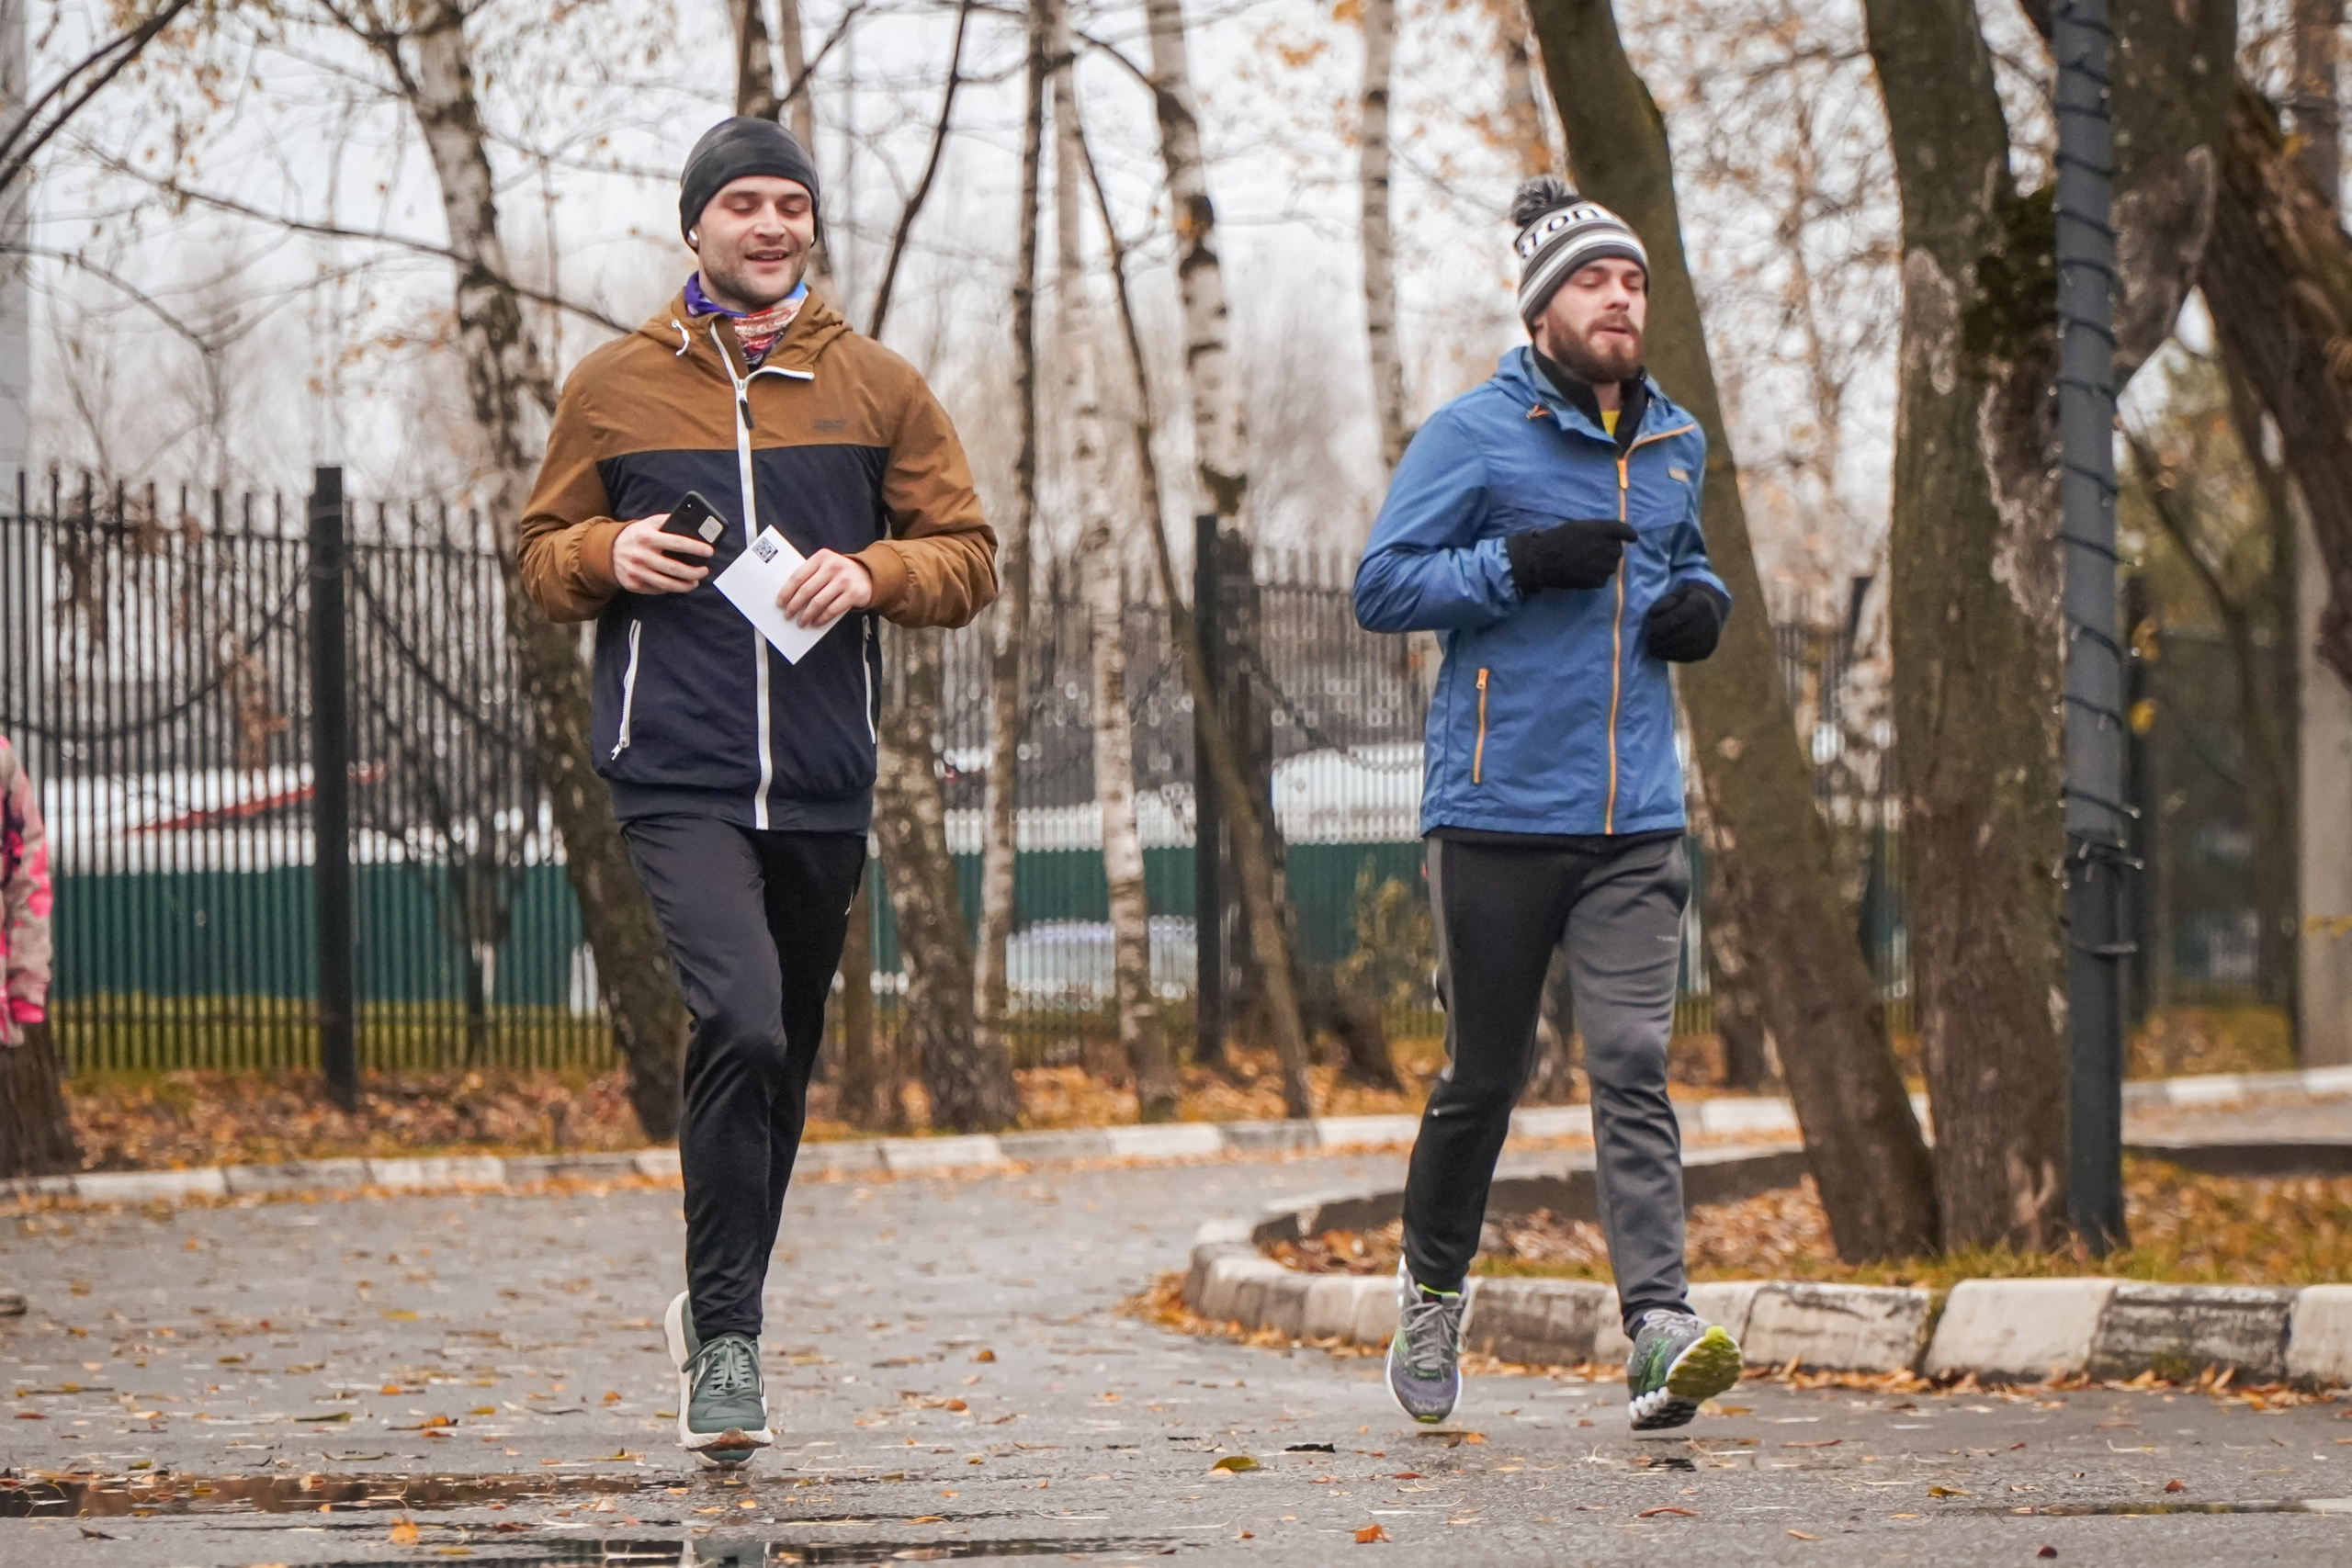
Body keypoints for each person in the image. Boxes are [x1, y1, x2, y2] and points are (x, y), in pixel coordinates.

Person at [516, 117, 997, 1466]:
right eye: (744, 204)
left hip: (827, 783)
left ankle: (716, 1299)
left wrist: (876, 574)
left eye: (793, 203)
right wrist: (609, 550)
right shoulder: (613, 388)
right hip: (675, 770)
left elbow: (969, 554)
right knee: (736, 1015)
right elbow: (541, 555)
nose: (772, 225)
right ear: (696, 228)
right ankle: (730, 1341)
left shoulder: (879, 387)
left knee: (778, 1058)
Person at [1351, 175, 1742, 1431]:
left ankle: (1657, 1330)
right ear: (1542, 309)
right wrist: (1514, 563)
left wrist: (1706, 606)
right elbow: (1381, 585)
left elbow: (1685, 564)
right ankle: (1432, 1288)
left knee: (1631, 1059)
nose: (1620, 298)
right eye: (1594, 281)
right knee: (1487, 1071)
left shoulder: (1676, 441)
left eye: (1632, 281)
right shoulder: (1473, 436)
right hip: (1498, 812)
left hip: (1636, 816)